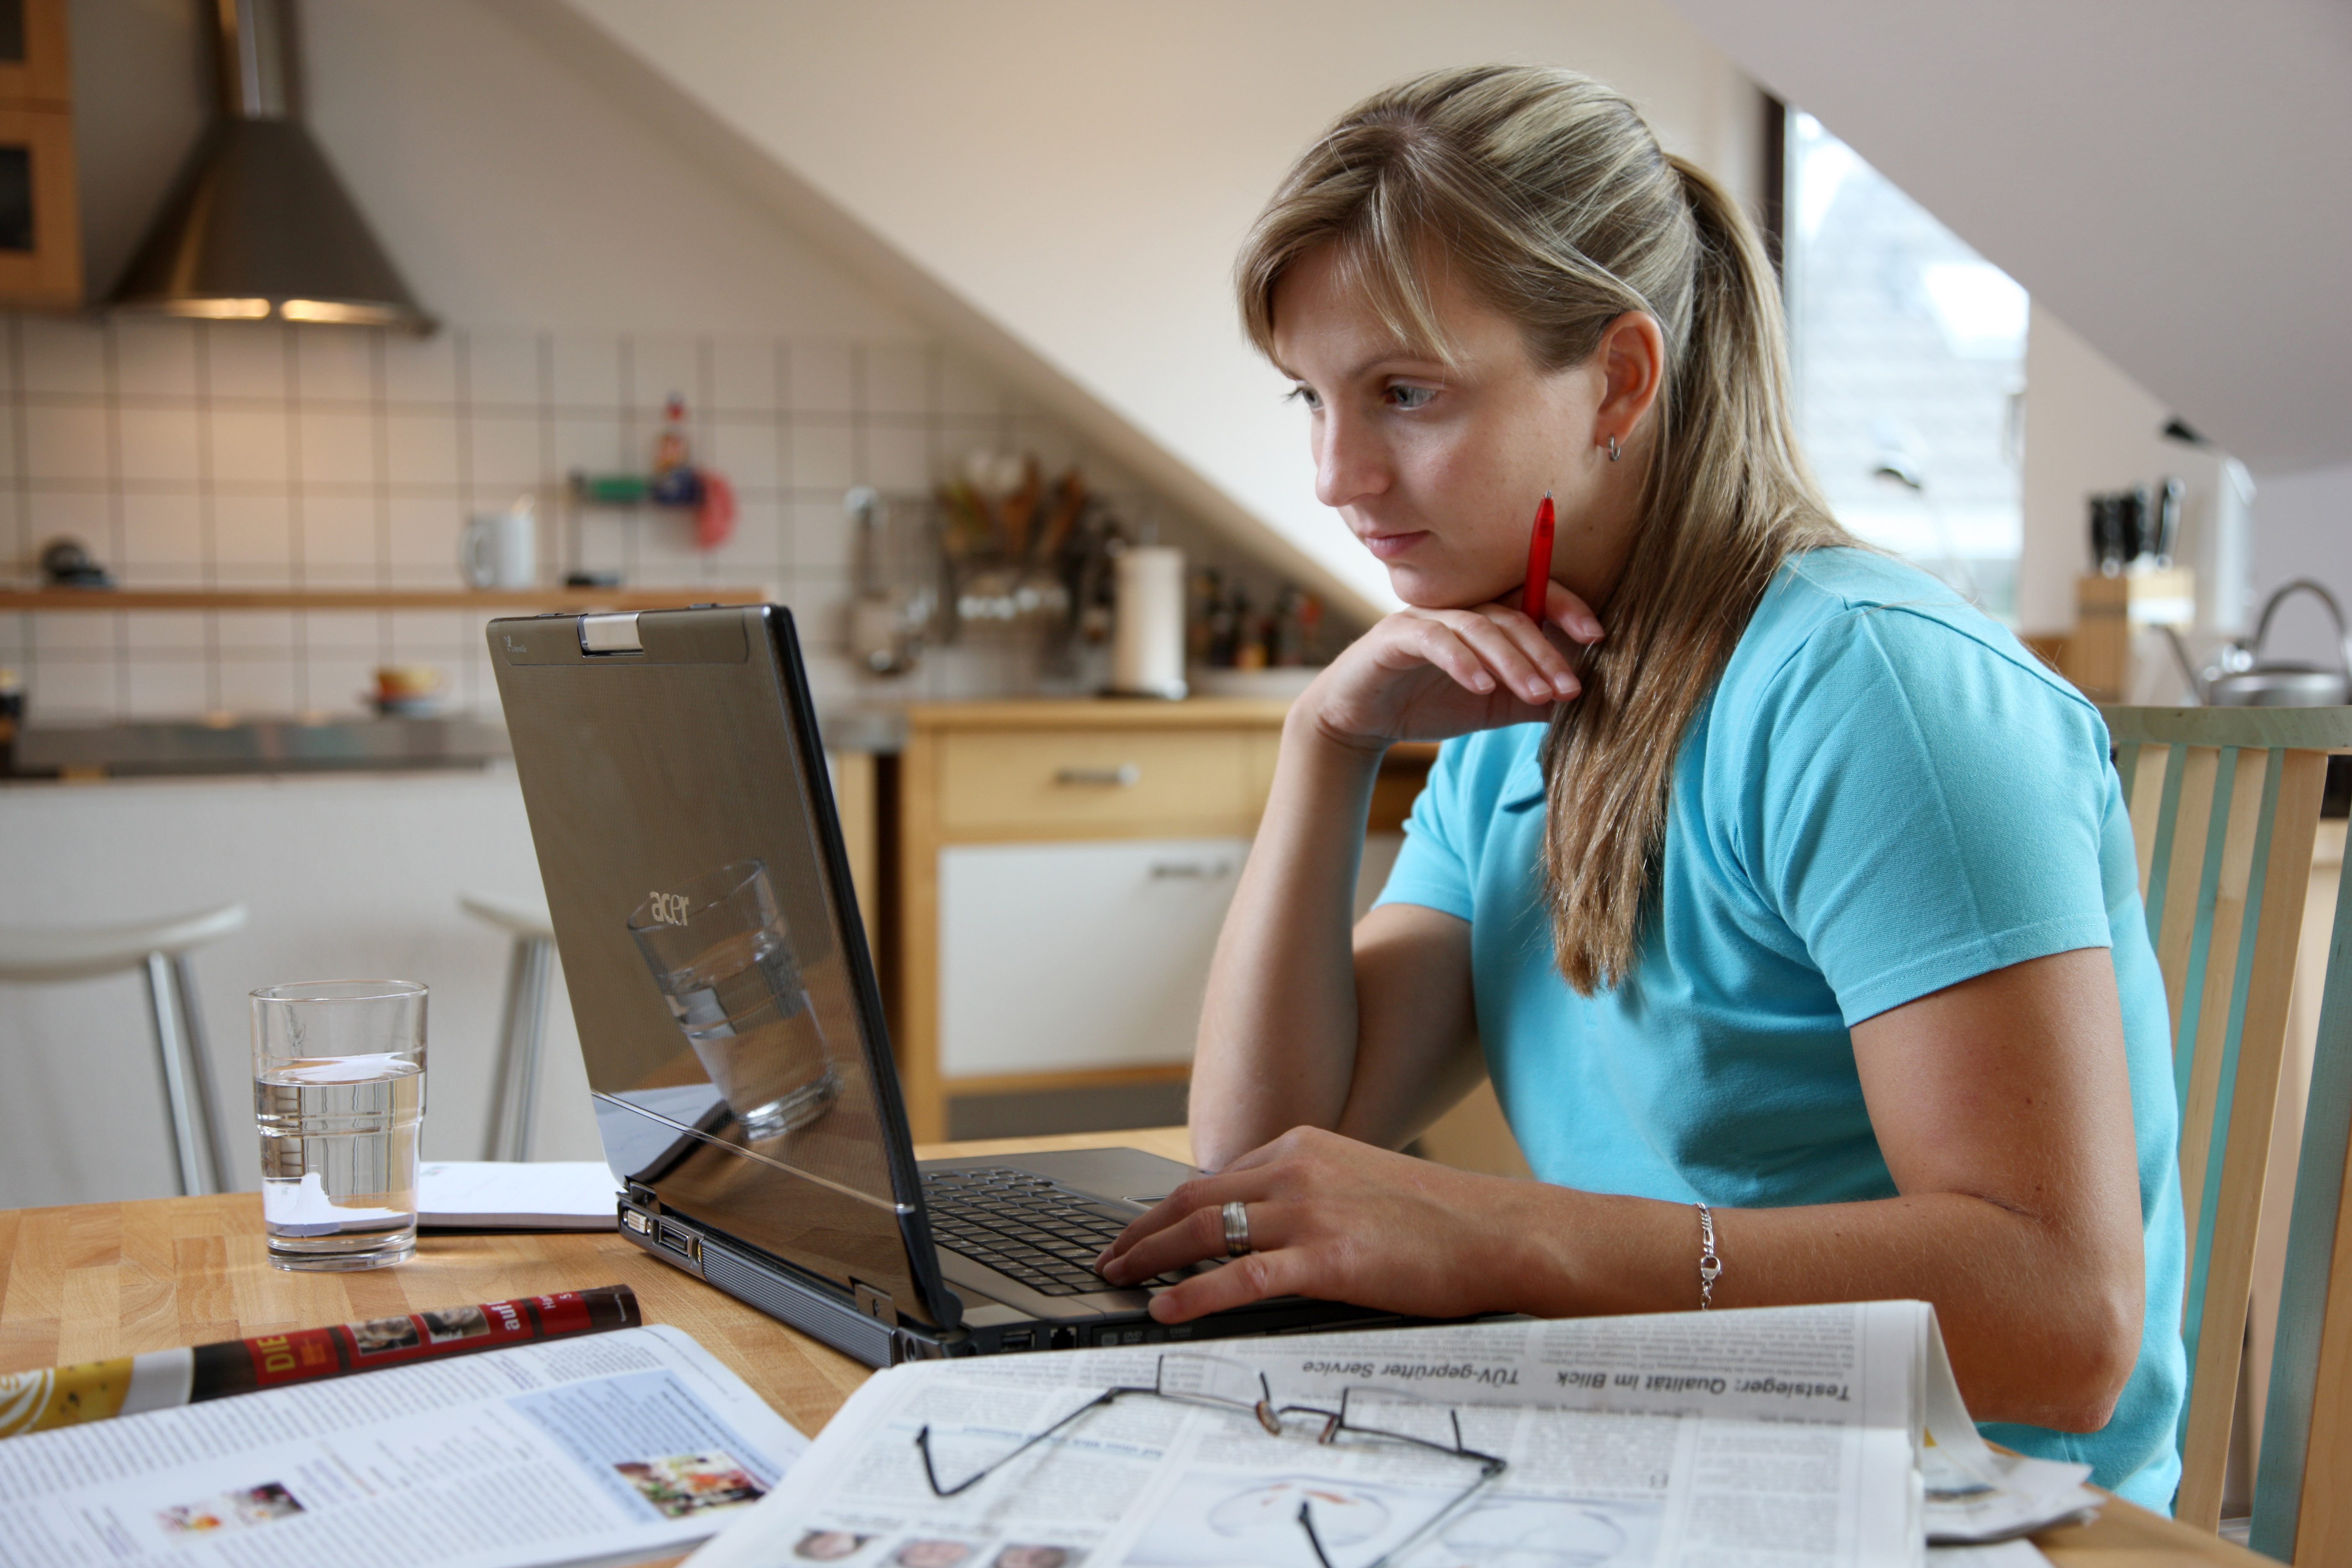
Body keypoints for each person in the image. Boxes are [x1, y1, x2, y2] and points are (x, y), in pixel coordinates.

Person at [1091, 64, 2185, 1509]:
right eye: (1314, 398)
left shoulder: (1875, 692)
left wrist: (1506, 1236)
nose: (1336, 474)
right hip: (1656, 1465)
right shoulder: (1514, 694)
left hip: (1954, 1511)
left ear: (1617, 378)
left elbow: (2062, 1329)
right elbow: (1261, 1164)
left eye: (1405, 393)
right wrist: (1327, 748)